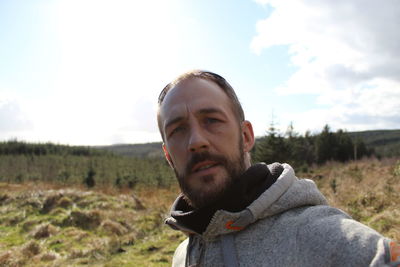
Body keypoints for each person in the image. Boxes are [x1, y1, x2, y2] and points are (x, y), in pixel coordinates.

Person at [157, 70, 400, 267]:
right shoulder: (182, 256)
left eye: (211, 120)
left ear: (246, 136)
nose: (196, 141)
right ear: (168, 156)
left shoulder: (317, 235)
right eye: (177, 129)